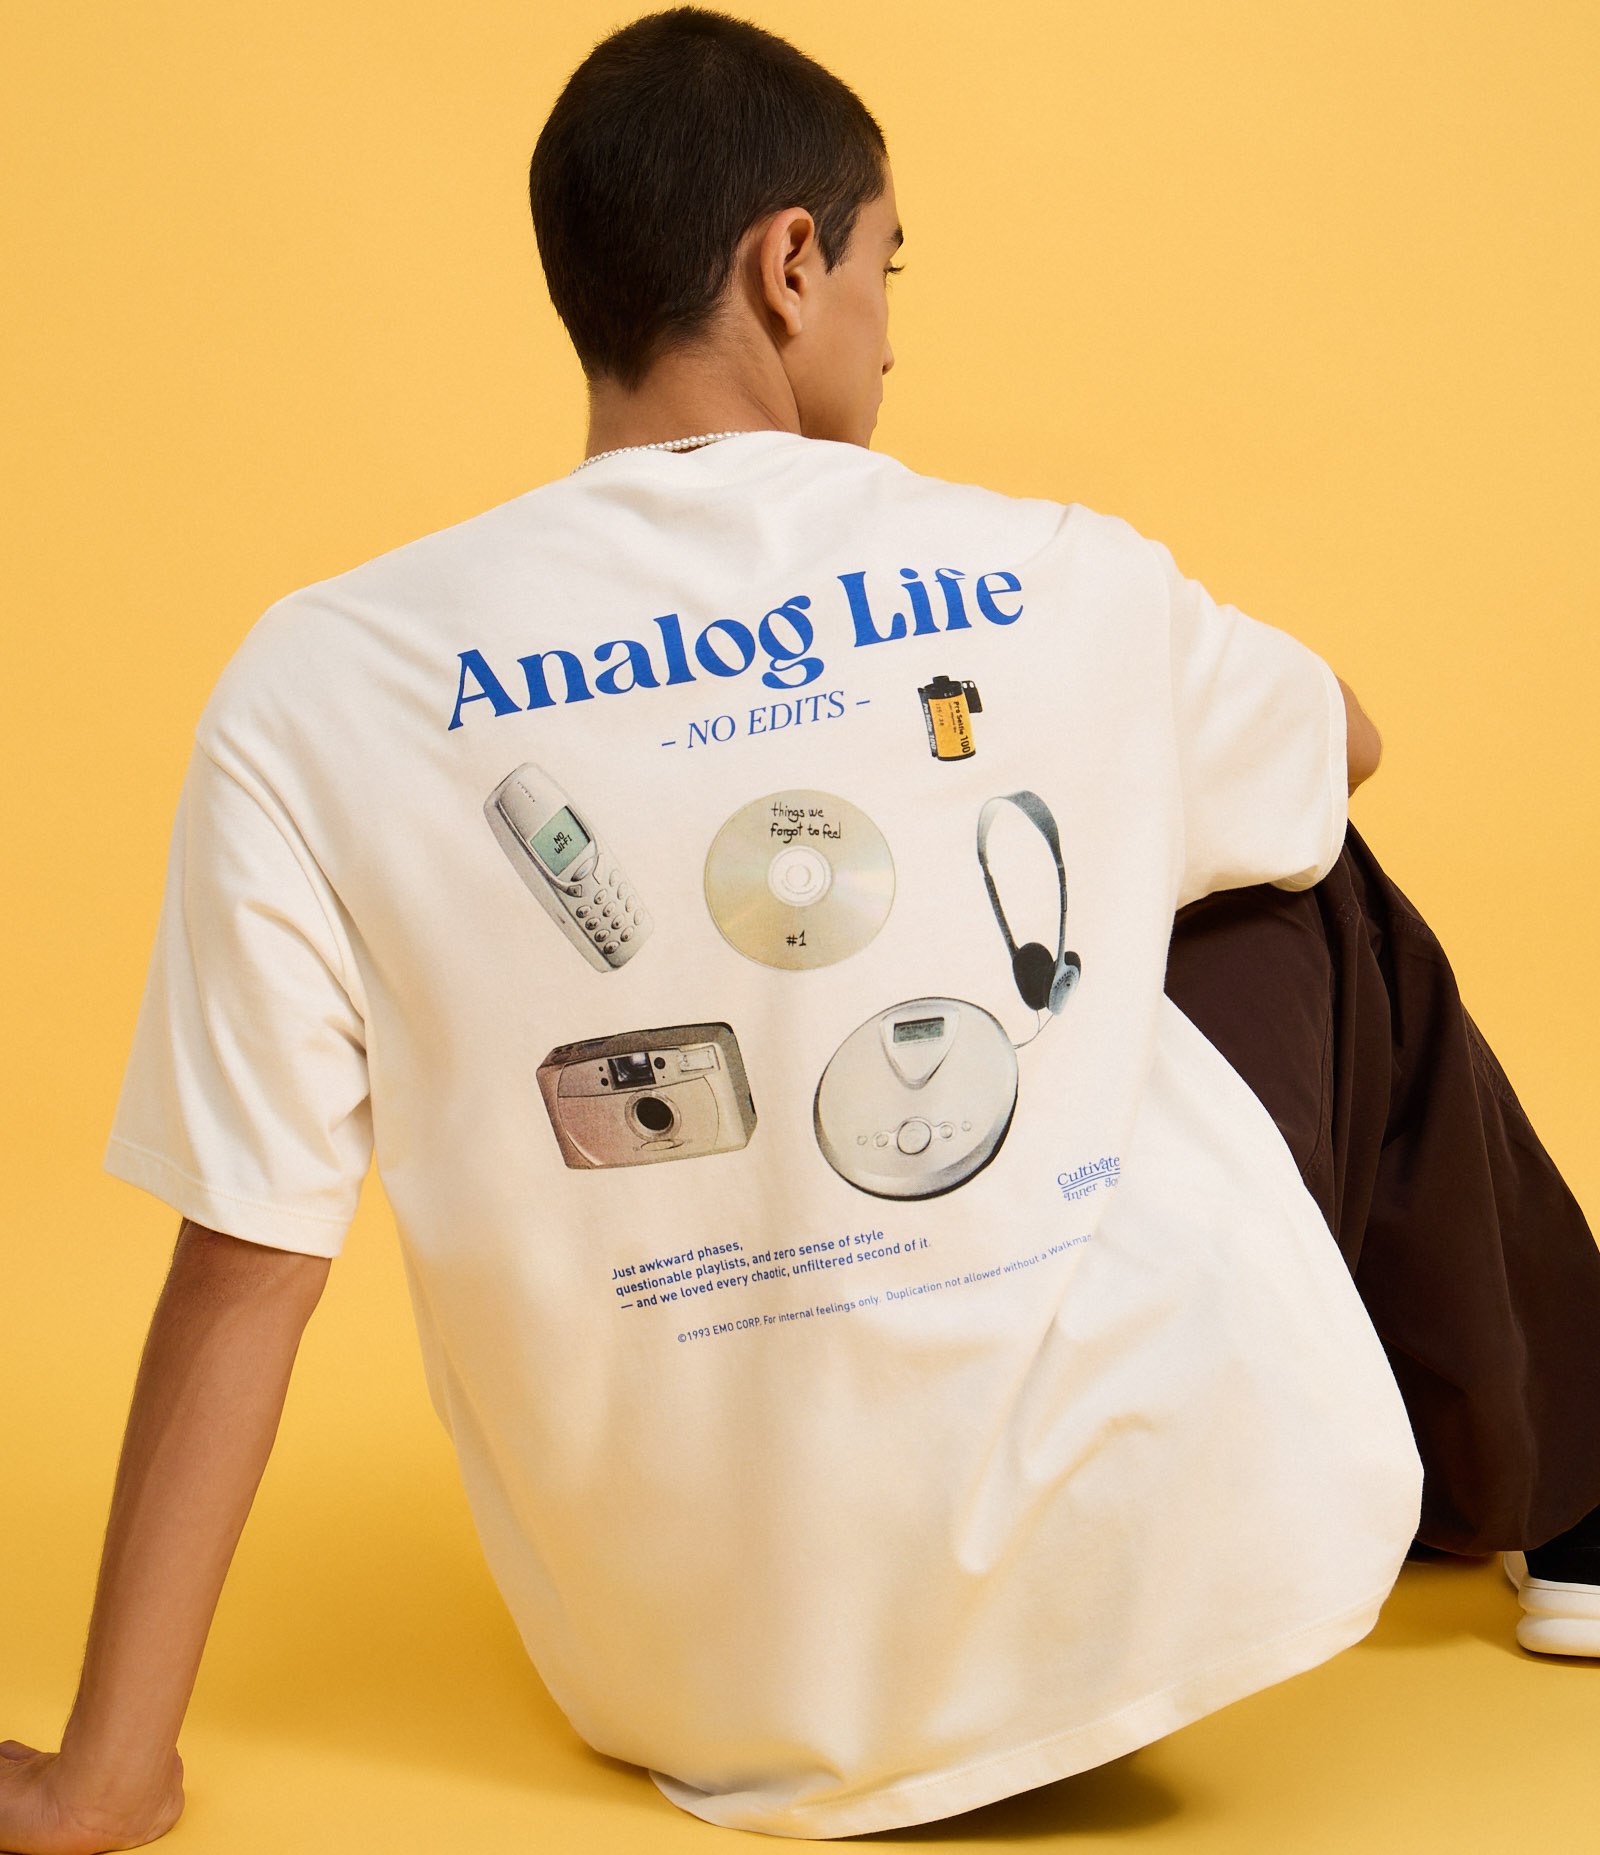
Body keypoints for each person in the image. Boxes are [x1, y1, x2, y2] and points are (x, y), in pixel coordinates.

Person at [4, 7, 1599, 1849]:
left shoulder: (319, 682)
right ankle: (1573, 1499)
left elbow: (250, 1250)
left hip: (684, 1676)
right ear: (788, 263)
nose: (891, 328)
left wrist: (110, 1767)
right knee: (1312, 888)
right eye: (883, 266)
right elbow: (1346, 746)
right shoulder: (1046, 568)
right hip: (1137, 1574)